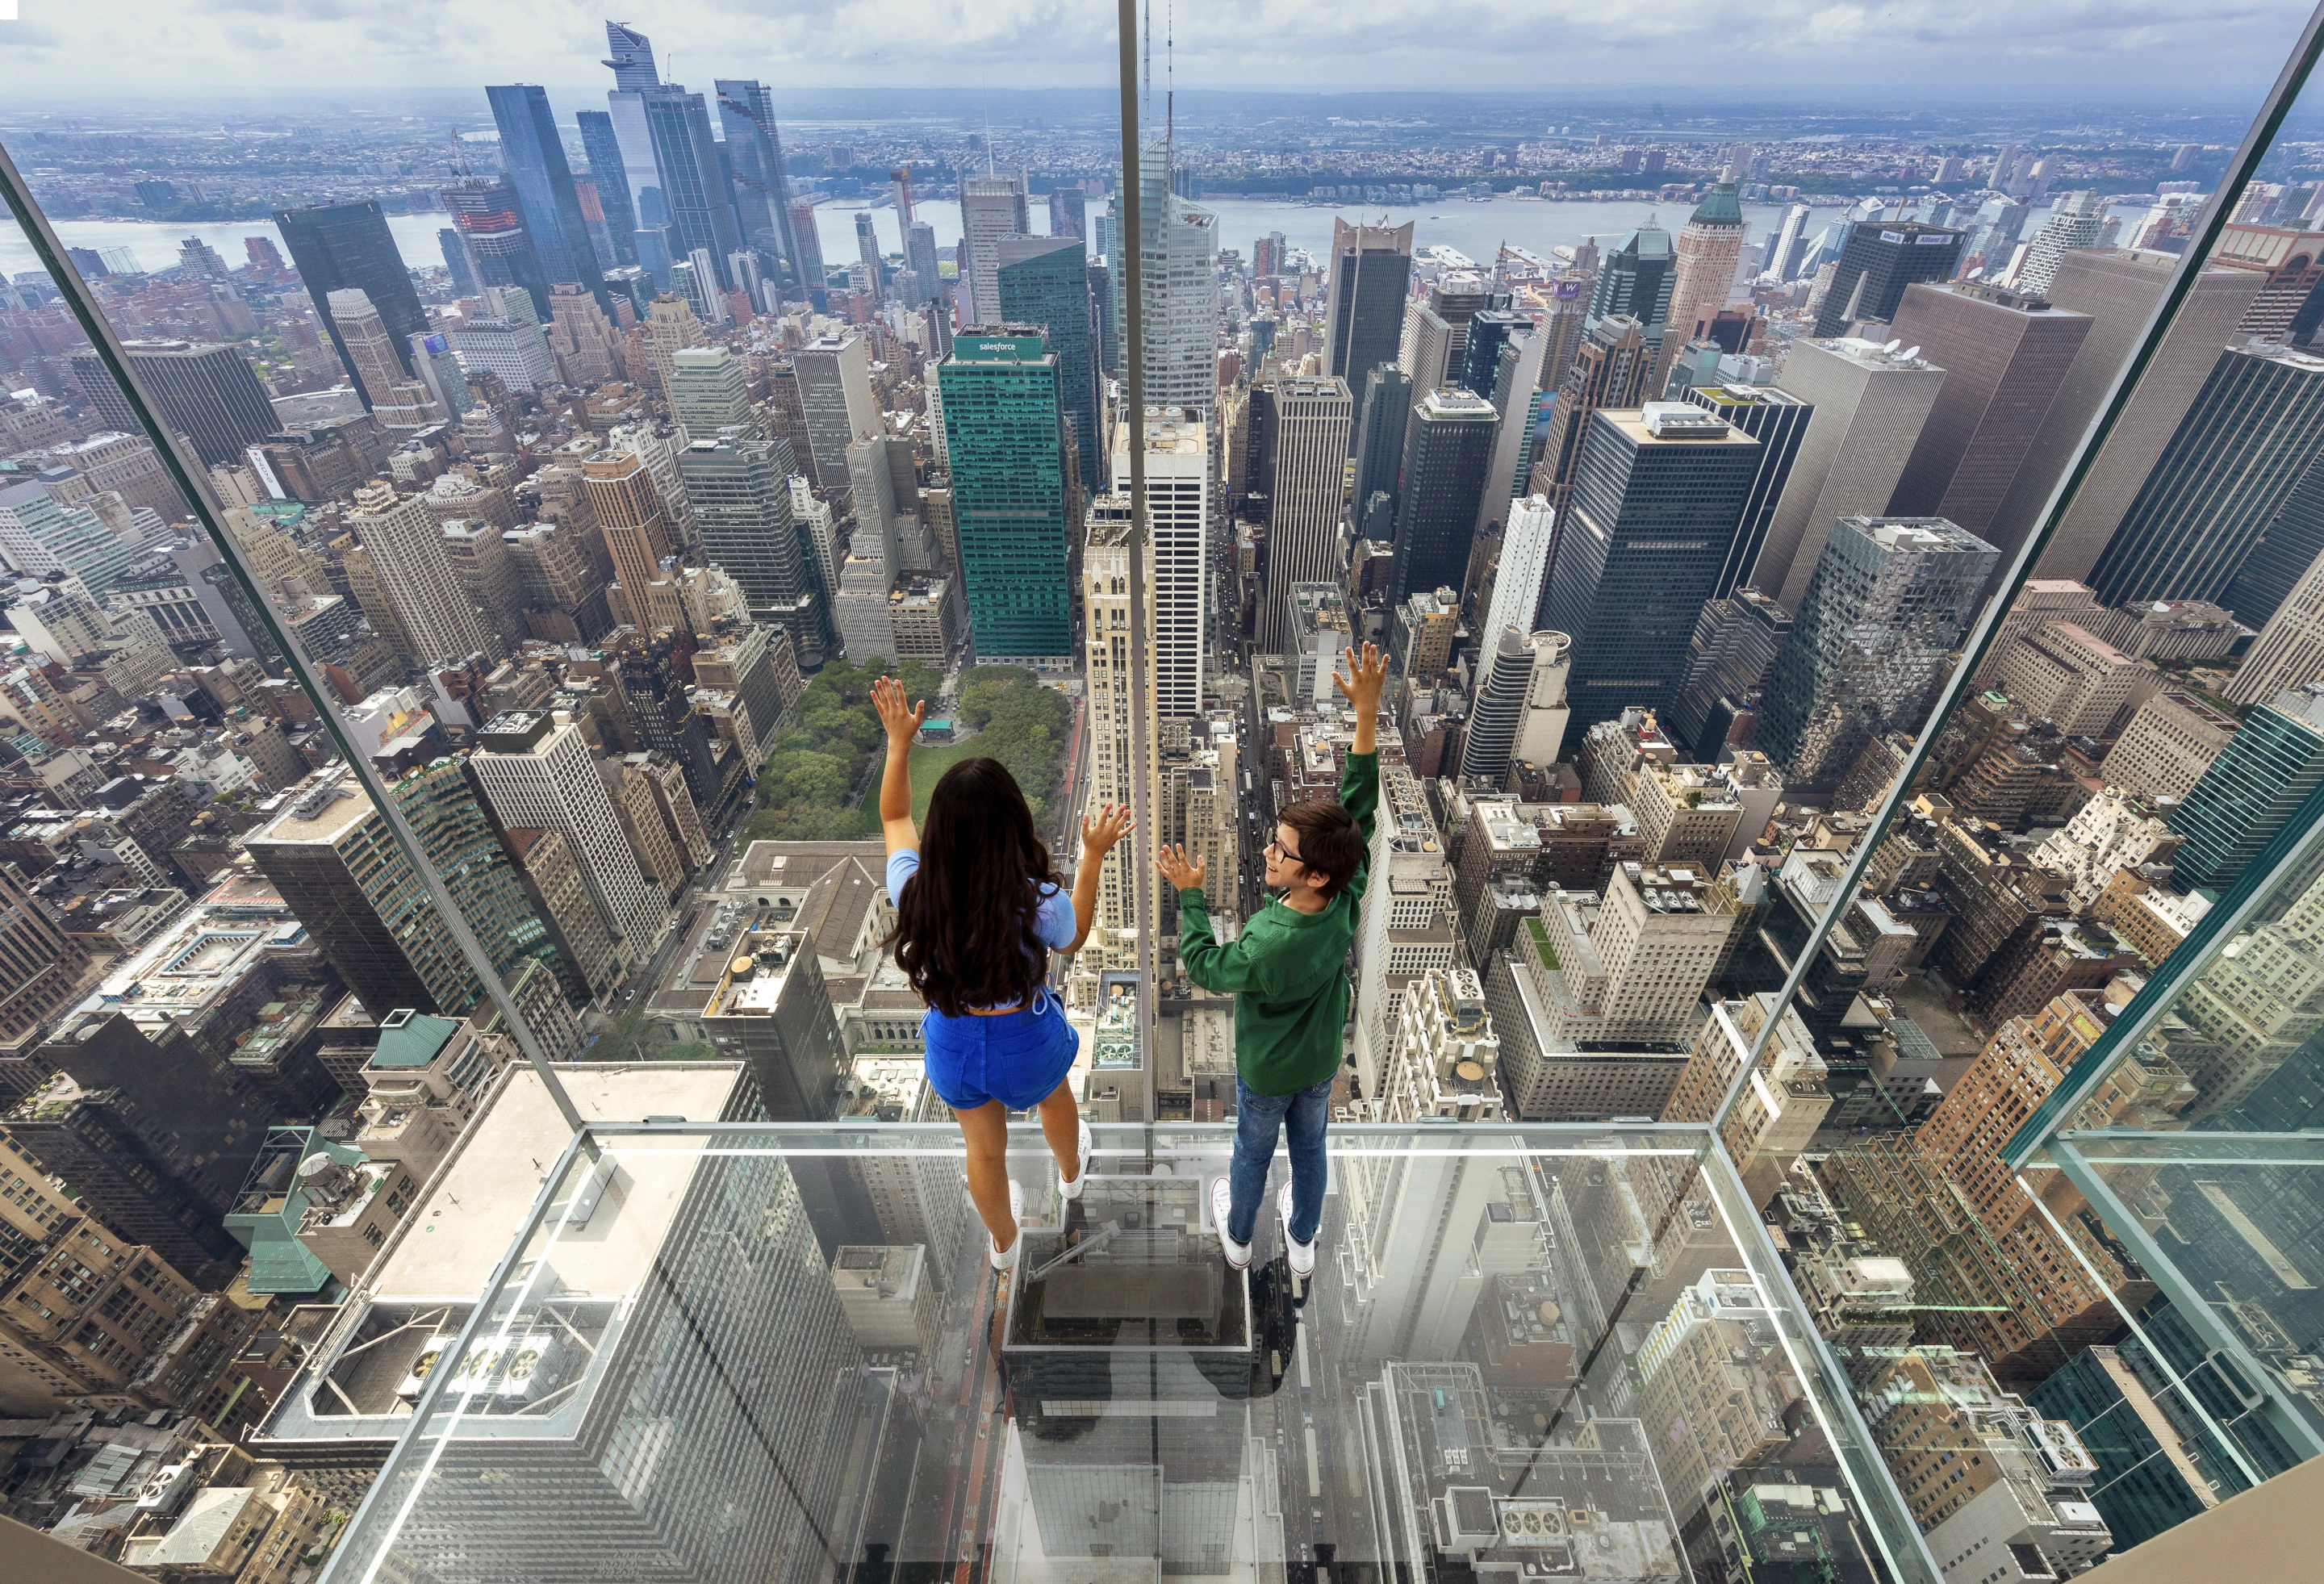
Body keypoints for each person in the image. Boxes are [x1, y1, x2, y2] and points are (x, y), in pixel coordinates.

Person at [873, 675, 1134, 1273]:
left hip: (955, 1043)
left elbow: (893, 818)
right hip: (1027, 1042)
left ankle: (1004, 1244)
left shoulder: (916, 891)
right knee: (1055, 1102)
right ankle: (1071, 1179)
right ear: (1014, 826)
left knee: (984, 1151)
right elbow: (1075, 936)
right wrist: (1092, 854)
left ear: (940, 838)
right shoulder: (1032, 901)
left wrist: (898, 746)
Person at [1157, 642, 1386, 1279]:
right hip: (1318, 1063)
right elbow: (1357, 813)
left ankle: (1237, 1237)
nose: (1266, 853)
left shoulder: (1267, 941)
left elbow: (1205, 965)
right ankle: (1303, 1238)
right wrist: (1365, 718)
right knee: (1311, 1150)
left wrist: (1192, 896)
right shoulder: (1345, 894)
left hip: (1265, 1070)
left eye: (1279, 852)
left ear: (1312, 872)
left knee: (1251, 1156)